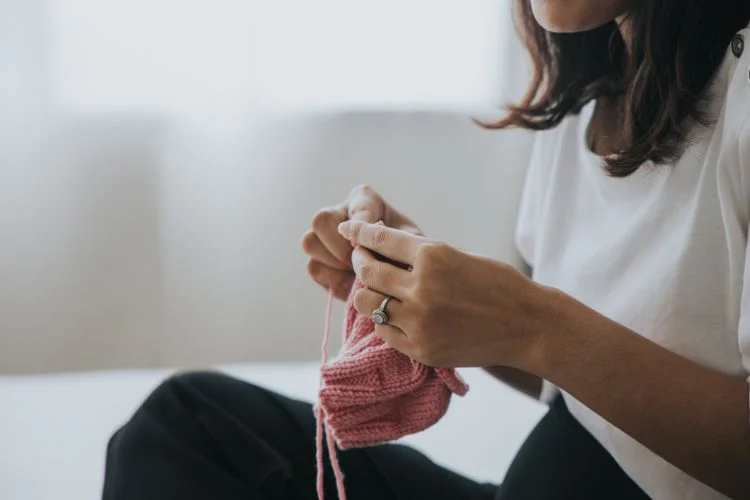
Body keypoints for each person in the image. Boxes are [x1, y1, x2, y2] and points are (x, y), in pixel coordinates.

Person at [102, 1, 750, 499]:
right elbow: (582, 380)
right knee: (190, 424)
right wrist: (426, 294)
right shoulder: (589, 103)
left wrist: (532, 323)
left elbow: (556, 340)